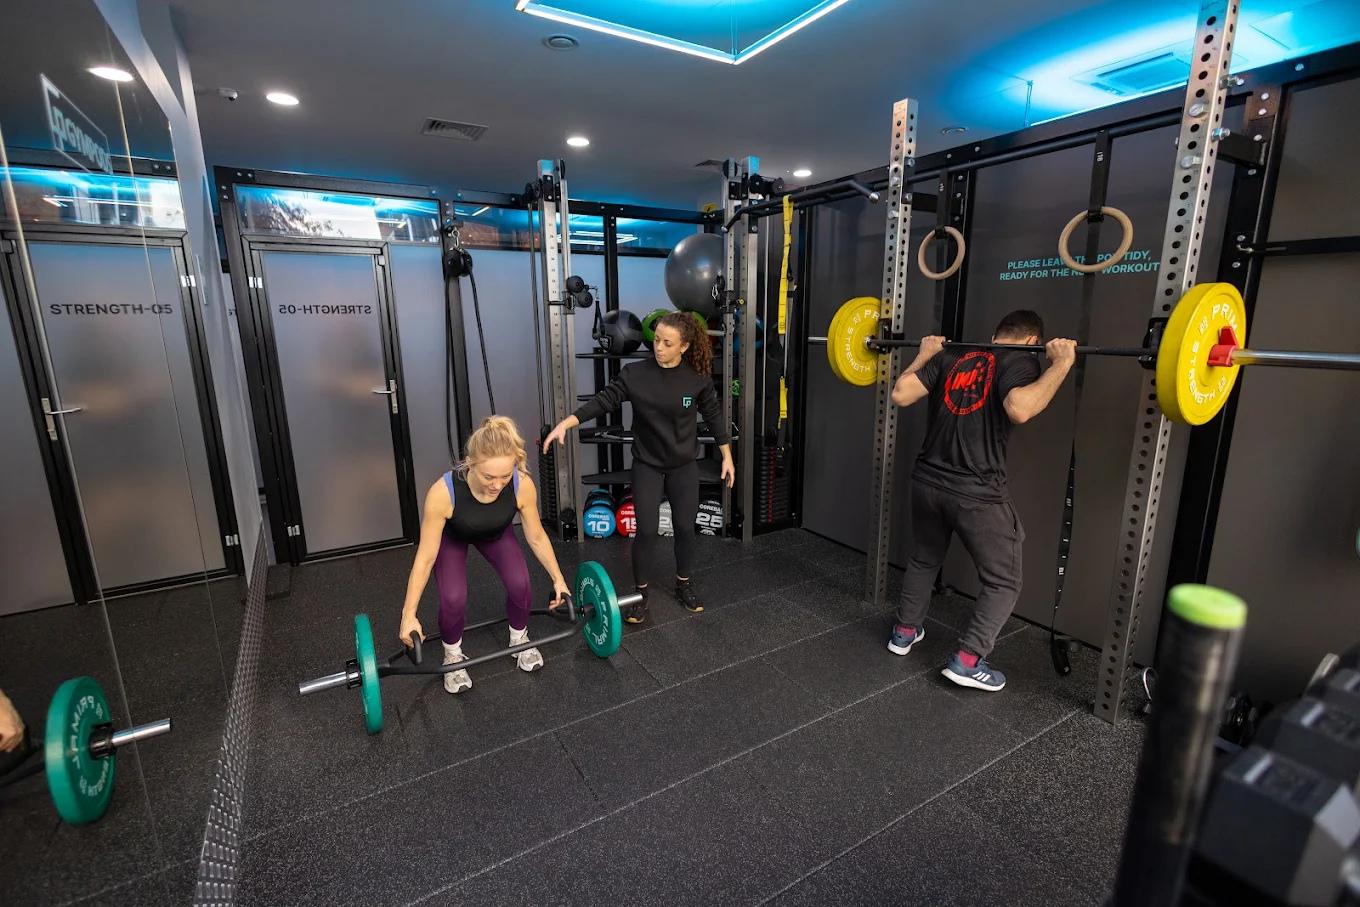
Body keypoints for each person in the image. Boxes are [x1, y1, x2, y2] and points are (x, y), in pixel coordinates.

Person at [885, 310, 1076, 692]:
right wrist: (1062, 364)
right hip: (975, 492)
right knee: (1004, 581)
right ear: (1032, 341)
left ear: (995, 334)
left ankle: (904, 632)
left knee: (924, 559)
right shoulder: (1021, 360)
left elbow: (900, 393)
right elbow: (1020, 408)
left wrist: (924, 354)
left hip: (927, 482)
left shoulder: (952, 355)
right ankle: (968, 661)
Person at [543, 312, 734, 623]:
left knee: (685, 528)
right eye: (656, 340)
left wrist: (726, 455)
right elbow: (604, 400)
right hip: (647, 464)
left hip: (683, 466)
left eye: (667, 343)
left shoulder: (696, 379)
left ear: (684, 346)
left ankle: (683, 583)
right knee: (645, 530)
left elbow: (713, 415)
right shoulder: (635, 374)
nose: (659, 347)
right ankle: (641, 594)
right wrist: (568, 422)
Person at [399, 416, 571, 694]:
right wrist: (409, 615)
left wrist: (558, 580)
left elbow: (537, 537)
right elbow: (425, 557)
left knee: (520, 583)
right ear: (470, 463)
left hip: (496, 534)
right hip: (453, 538)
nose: (497, 485)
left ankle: (519, 639)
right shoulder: (443, 493)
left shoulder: (522, 484)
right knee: (453, 597)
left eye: (505, 476)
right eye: (488, 477)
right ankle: (452, 655)